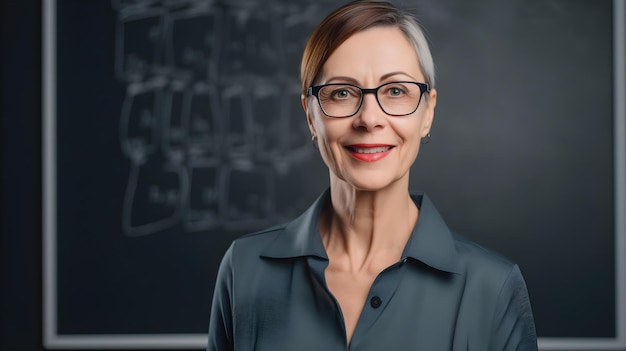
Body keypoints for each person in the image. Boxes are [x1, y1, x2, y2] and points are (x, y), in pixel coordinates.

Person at [207, 1, 538, 350]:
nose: (369, 118)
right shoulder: (243, 271)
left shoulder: (492, 287)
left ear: (427, 113)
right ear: (310, 116)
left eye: (395, 91)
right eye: (342, 93)